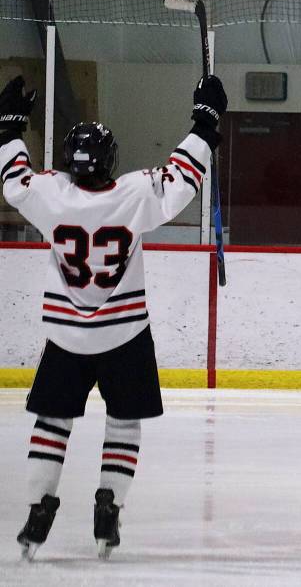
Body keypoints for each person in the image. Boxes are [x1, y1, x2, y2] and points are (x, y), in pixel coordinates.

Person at [2, 73, 227, 559]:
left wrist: (8, 129)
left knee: (52, 422)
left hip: (66, 337)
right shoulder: (134, 195)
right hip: (125, 336)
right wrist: (205, 123)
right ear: (110, 161)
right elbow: (182, 178)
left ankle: (39, 508)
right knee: (124, 423)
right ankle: (109, 503)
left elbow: (13, 181)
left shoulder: (49, 195)